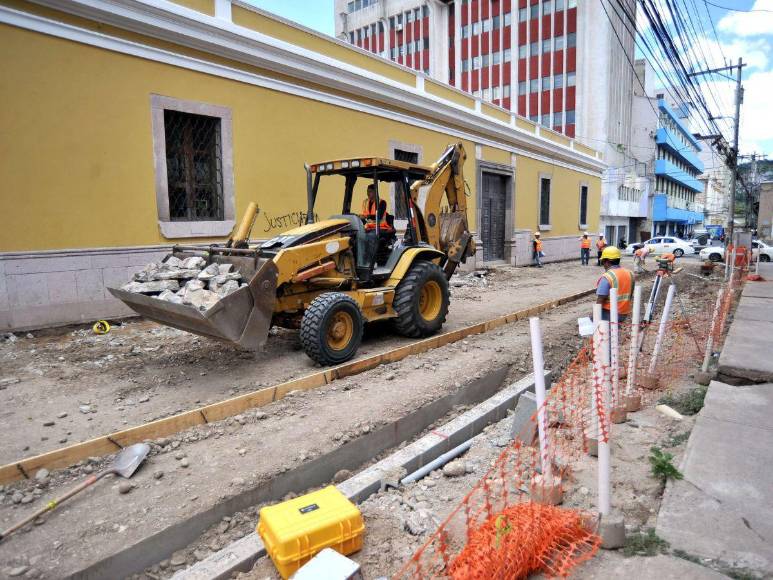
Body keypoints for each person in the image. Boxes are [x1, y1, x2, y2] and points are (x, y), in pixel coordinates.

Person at [596, 246, 635, 322]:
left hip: (609, 313)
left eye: (603, 262)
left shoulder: (607, 276)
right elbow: (630, 294)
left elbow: (600, 300)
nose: (603, 265)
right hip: (624, 312)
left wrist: (596, 318)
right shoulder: (630, 273)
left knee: (589, 324)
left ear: (607, 262)